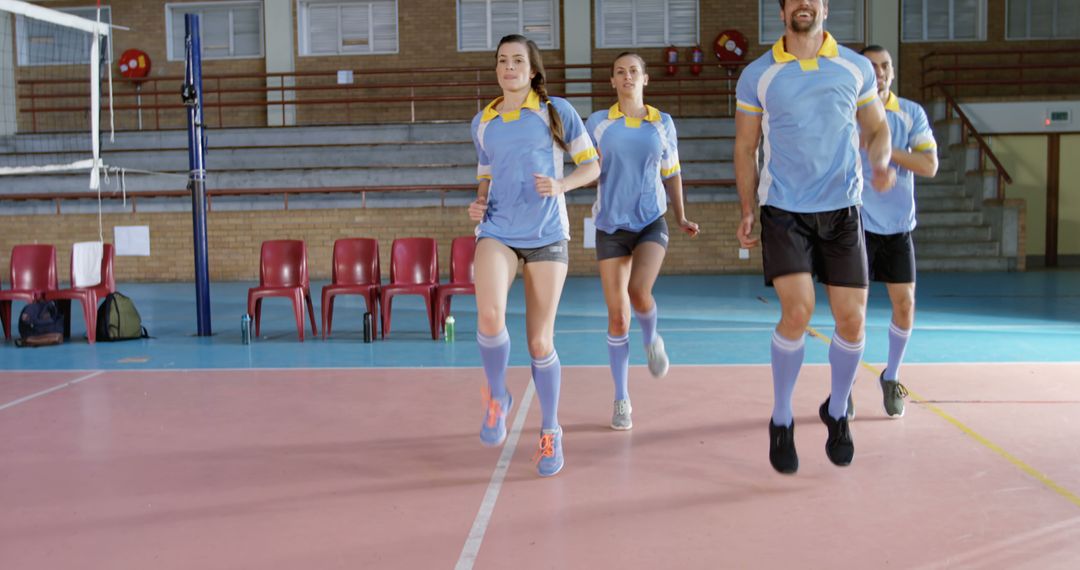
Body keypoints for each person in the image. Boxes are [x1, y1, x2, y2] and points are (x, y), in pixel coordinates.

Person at [734, 0, 896, 474]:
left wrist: (882, 159)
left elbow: (877, 127)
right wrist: (747, 208)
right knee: (798, 311)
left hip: (843, 209)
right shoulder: (758, 74)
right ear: (783, 10)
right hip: (784, 210)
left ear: (824, 6)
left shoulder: (856, 67)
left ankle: (838, 408)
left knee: (853, 322)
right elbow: (746, 147)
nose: (804, 3)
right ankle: (781, 417)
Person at [468, 35, 600, 477]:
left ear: (532, 70)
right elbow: (485, 173)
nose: (509, 67)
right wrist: (479, 200)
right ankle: (497, 396)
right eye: (503, 61)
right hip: (498, 230)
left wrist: (562, 186)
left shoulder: (555, 111)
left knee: (540, 342)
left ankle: (550, 430)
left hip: (546, 234)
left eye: (518, 61)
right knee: (489, 316)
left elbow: (592, 164)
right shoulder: (484, 121)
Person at [584, 52, 699, 431]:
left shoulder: (662, 123)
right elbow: (587, 167)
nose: (627, 76)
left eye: (634, 71)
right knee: (617, 318)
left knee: (639, 291)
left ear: (645, 79)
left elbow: (673, 171)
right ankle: (621, 398)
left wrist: (680, 215)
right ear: (612, 82)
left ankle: (652, 341)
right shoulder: (598, 124)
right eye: (620, 72)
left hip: (651, 220)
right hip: (610, 227)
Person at [848, 45, 938, 419]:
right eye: (872, 67)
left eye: (885, 66)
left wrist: (885, 151)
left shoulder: (911, 113)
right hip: (857, 226)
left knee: (906, 305)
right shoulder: (848, 113)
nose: (880, 72)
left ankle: (892, 376)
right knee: (853, 314)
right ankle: (844, 386)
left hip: (898, 227)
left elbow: (929, 164)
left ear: (892, 73)